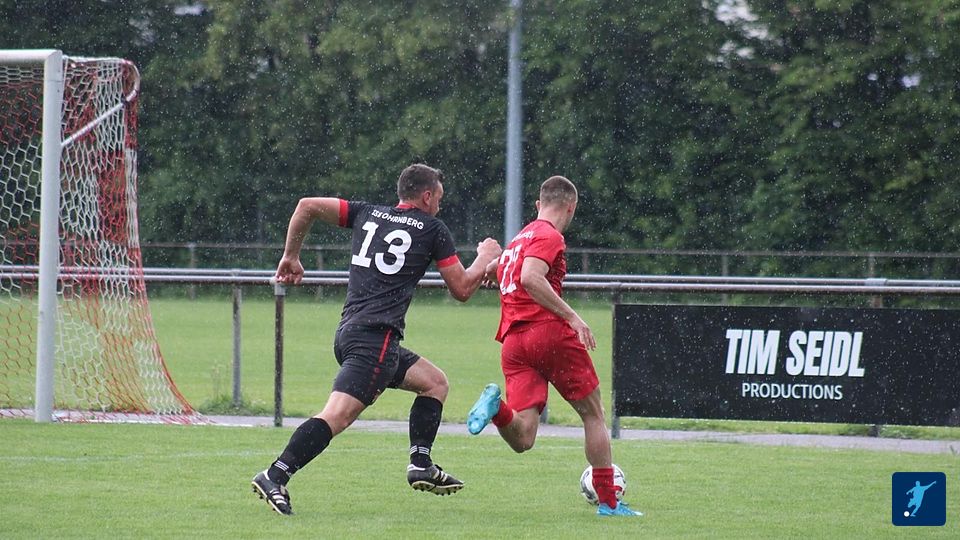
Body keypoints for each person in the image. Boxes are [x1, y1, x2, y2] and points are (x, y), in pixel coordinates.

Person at [252, 163, 502, 515]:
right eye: (439, 198)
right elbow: (461, 288)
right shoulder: (432, 228)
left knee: (434, 383)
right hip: (376, 341)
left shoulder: (367, 213)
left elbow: (306, 205)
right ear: (426, 196)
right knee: (337, 416)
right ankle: (275, 474)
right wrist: (485, 258)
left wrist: (291, 256)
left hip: (350, 332)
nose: (440, 205)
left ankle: (421, 464)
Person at [466, 175, 642, 517]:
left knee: (523, 437)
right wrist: (573, 318)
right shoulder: (550, 235)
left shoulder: (520, 238)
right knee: (593, 414)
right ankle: (609, 503)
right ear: (571, 207)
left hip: (513, 343)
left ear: (538, 204)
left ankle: (496, 407)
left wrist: (491, 266)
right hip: (547, 333)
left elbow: (503, 266)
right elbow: (531, 277)